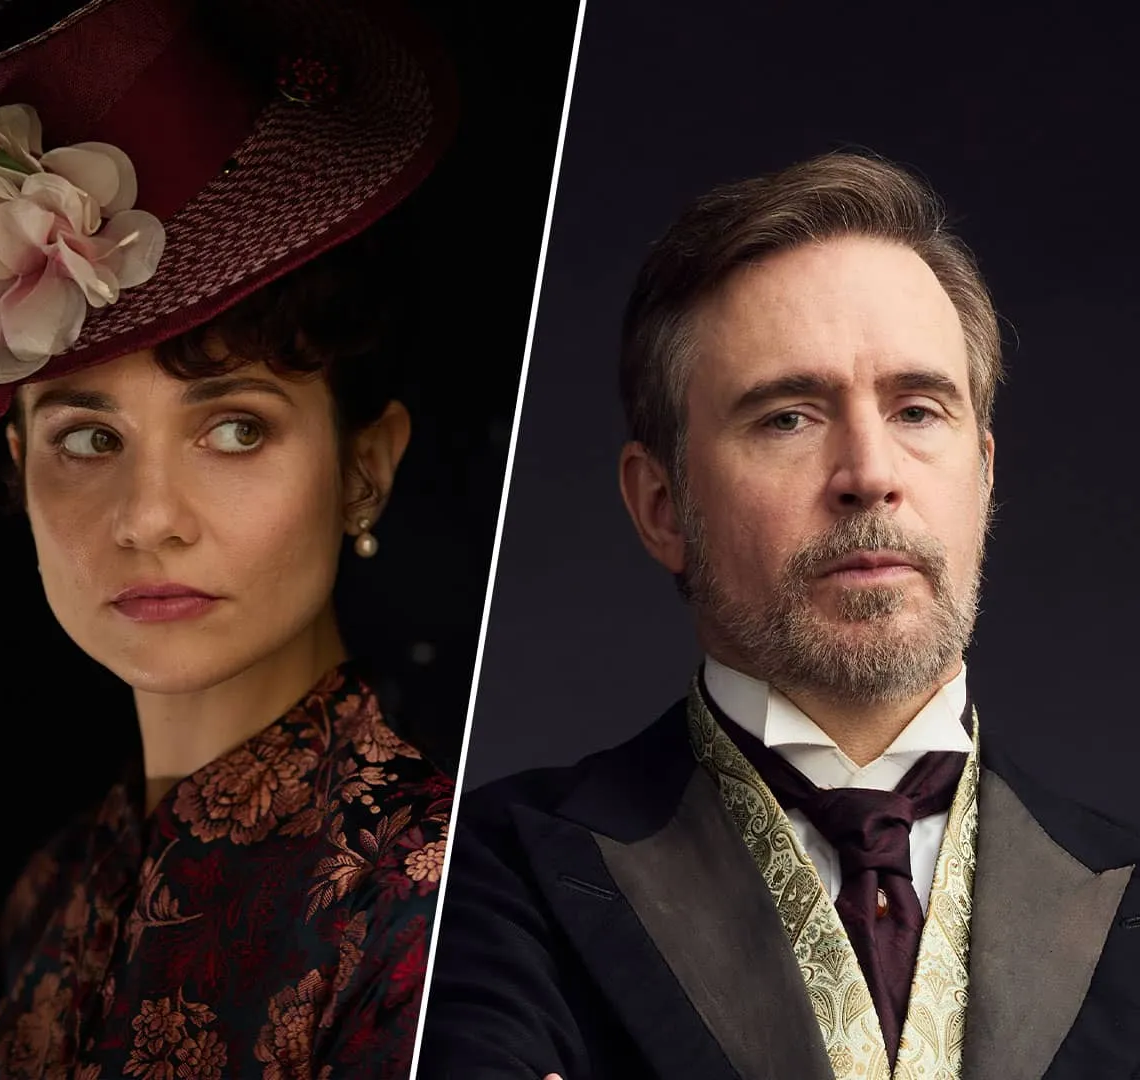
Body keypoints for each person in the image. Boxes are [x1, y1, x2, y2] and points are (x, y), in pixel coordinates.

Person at [417, 151, 1140, 1080]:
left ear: (986, 474)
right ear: (662, 506)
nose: (870, 473)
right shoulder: (481, 876)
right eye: (788, 418)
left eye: (919, 410)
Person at [0, 0, 460, 1074]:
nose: (149, 517)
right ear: (18, 469)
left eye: (235, 429)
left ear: (364, 469)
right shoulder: (47, 897)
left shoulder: (430, 899)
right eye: (88, 439)